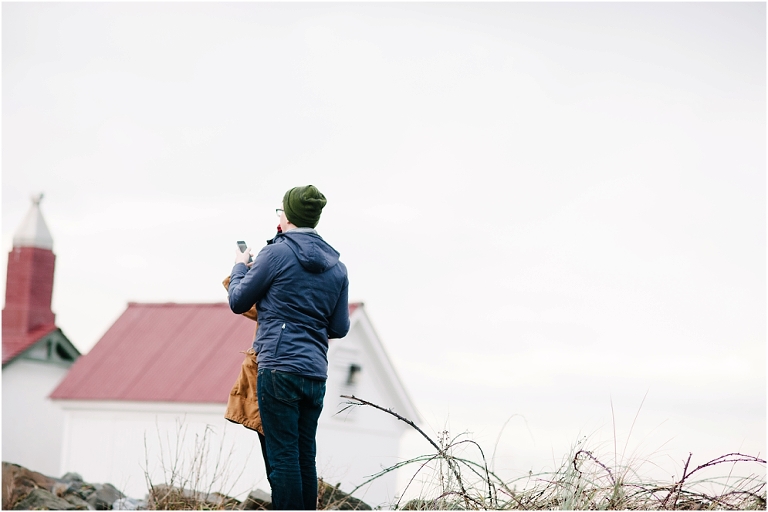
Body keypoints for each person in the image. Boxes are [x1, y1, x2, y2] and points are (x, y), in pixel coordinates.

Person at [228, 185, 350, 510]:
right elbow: (339, 327)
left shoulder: (276, 253)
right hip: (314, 373)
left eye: (280, 210)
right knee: (303, 458)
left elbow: (238, 300)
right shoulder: (337, 267)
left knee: (282, 459)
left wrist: (240, 266)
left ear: (288, 215)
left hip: (279, 369)